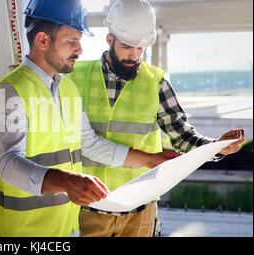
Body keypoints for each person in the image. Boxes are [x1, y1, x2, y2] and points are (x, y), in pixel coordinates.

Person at [0, 0, 180, 237]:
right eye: (71, 41)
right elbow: (8, 165)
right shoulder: (9, 92)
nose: (80, 50)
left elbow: (91, 144)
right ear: (43, 40)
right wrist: (67, 181)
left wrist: (149, 160)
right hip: (22, 234)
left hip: (66, 229)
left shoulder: (68, 90)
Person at [66, 0, 245, 237]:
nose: (135, 56)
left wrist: (218, 147)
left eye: (141, 48)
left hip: (140, 212)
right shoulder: (73, 77)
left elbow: (183, 137)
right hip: (89, 207)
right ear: (109, 39)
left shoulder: (156, 83)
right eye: (128, 47)